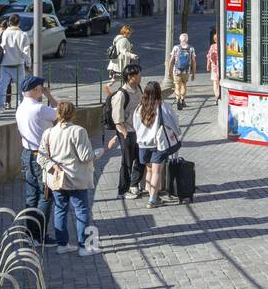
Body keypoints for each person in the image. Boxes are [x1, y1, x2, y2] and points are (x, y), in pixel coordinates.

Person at [37, 100, 96, 256]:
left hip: (57, 179)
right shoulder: (78, 131)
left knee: (60, 210)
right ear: (73, 113)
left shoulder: (48, 132)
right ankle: (84, 246)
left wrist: (53, 166)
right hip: (76, 178)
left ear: (57, 114)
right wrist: (99, 152)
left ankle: (62, 244)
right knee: (82, 210)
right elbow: (86, 156)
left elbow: (40, 157)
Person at [15, 76, 59, 241]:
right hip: (41, 156)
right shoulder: (40, 109)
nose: (42, 90)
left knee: (31, 195)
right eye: (41, 88)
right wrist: (49, 95)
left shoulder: (20, 108)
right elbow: (62, 113)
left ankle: (30, 231)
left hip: (27, 154)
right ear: (35, 90)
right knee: (46, 195)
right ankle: (40, 235)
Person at [133, 81, 181, 208]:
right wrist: (177, 132)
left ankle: (151, 193)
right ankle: (153, 199)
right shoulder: (162, 106)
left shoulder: (139, 108)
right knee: (156, 172)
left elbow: (135, 126)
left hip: (143, 144)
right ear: (158, 92)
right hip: (157, 144)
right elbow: (173, 121)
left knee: (149, 170)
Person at [105, 63, 144, 199]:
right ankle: (123, 189)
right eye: (138, 75)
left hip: (139, 130)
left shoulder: (138, 88)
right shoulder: (121, 94)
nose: (140, 77)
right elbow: (117, 118)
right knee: (127, 161)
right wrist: (124, 133)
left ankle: (134, 184)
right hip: (126, 131)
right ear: (130, 77)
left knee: (141, 158)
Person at [0, 13, 32, 110]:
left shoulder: (3, 33)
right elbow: (26, 52)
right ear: (19, 23)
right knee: (21, 87)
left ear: (9, 22)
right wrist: (28, 65)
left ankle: (1, 107)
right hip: (19, 65)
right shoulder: (23, 35)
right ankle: (20, 106)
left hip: (5, 64)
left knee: (2, 87)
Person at [168, 33, 197, 110]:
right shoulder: (191, 48)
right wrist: (193, 73)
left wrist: (169, 71)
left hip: (177, 70)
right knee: (184, 84)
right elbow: (194, 62)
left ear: (180, 39)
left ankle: (177, 100)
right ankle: (183, 100)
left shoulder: (176, 48)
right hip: (186, 71)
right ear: (187, 39)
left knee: (177, 86)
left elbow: (171, 61)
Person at [207, 32, 220, 102]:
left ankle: (216, 96)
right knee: (220, 82)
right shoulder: (224, 45)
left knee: (215, 83)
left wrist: (208, 66)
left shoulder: (212, 46)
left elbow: (209, 56)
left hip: (214, 67)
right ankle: (220, 94)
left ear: (214, 40)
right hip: (221, 68)